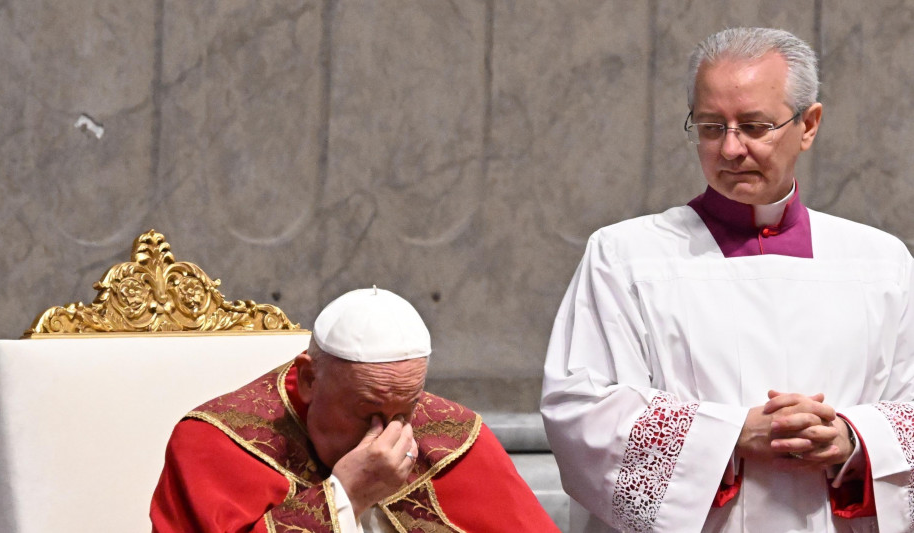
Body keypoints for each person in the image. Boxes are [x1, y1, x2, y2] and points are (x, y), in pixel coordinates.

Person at [541, 27, 914, 532]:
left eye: (755, 127)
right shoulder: (626, 256)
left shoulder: (881, 263)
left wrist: (851, 439)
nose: (731, 149)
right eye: (712, 127)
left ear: (808, 125)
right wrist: (731, 435)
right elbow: (581, 411)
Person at [151, 286, 560, 532]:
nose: (386, 439)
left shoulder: (454, 436)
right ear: (309, 380)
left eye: (406, 410)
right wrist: (345, 496)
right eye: (368, 413)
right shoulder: (214, 443)